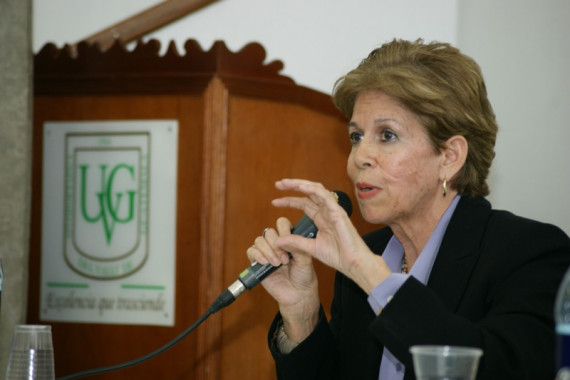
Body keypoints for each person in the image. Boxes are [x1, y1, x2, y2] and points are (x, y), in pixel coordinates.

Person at [246, 38, 570, 380]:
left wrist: (370, 275)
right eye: (356, 136)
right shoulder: (370, 257)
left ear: (449, 157)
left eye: (387, 135)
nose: (359, 157)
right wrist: (301, 312)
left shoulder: (531, 253)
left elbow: (493, 369)